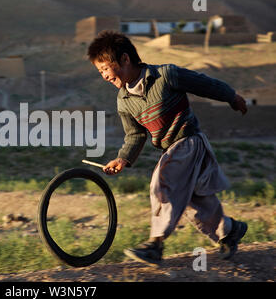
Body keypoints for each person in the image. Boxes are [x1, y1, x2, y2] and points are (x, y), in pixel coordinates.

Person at [88, 30, 248, 265]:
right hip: (171, 149)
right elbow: (135, 134)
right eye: (99, 71)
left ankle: (155, 244)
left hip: (189, 140)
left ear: (124, 59)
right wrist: (122, 159)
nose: (103, 75)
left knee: (161, 181)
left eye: (104, 68)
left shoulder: (165, 75)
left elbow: (204, 84)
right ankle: (229, 230)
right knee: (195, 203)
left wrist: (232, 97)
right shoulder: (124, 101)